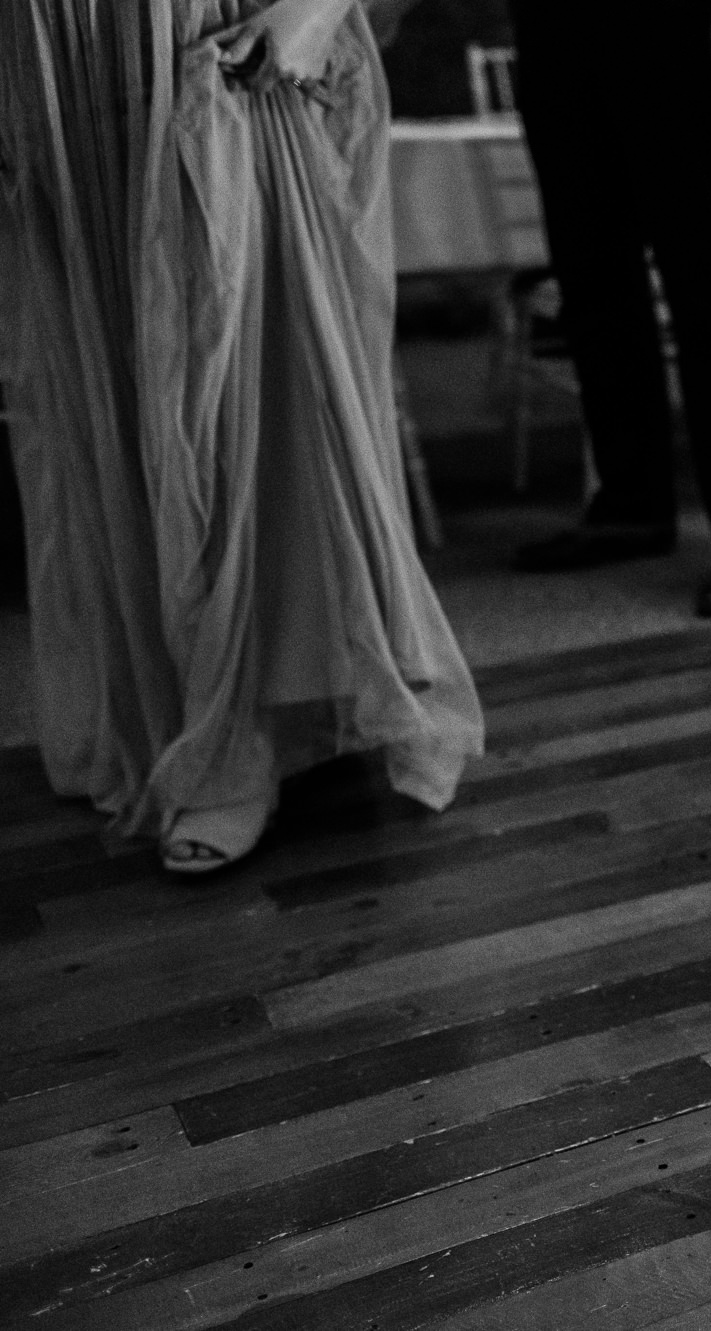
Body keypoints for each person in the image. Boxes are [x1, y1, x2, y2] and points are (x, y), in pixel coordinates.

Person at [0, 0, 485, 873]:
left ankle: (242, 731)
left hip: (220, 44)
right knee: (115, 381)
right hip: (62, 55)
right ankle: (167, 709)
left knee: (240, 383)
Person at [506, 0, 711, 618]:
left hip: (667, 25)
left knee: (703, 275)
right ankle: (631, 504)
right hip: (554, 28)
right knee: (591, 278)